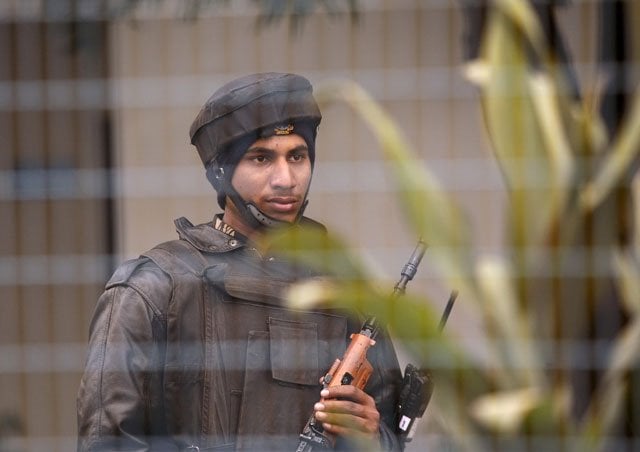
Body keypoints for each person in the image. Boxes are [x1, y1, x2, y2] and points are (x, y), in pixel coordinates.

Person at [77, 72, 404, 451]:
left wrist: (369, 435)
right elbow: (106, 441)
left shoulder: (346, 290)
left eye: (297, 156)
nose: (285, 178)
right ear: (221, 173)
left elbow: (391, 436)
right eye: (261, 157)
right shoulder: (152, 288)